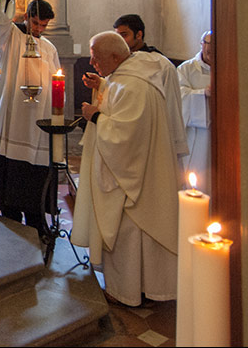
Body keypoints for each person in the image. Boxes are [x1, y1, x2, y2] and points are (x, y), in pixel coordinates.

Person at [73, 31, 179, 307]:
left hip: (134, 180)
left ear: (116, 57)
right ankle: (139, 287)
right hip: (137, 171)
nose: (92, 62)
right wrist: (102, 84)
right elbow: (118, 95)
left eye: (97, 59)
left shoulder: (135, 86)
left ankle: (129, 291)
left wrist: (94, 115)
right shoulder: (128, 74)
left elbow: (127, 135)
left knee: (131, 232)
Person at [0, 0, 61, 237]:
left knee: (35, 171)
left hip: (37, 122)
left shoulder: (49, 48)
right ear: (27, 17)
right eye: (36, 23)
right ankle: (10, 223)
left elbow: (55, 81)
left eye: (44, 25)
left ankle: (36, 222)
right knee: (11, 173)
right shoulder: (9, 37)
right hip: (12, 117)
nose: (39, 29)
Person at [113, 13, 189, 169]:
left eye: (124, 35)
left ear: (139, 34)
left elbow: (171, 105)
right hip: (130, 135)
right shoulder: (119, 64)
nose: (121, 41)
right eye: (117, 37)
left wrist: (173, 144)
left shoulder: (161, 64)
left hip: (157, 134)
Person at [177, 30, 213, 194]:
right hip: (197, 134)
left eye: (215, 45)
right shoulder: (186, 69)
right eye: (208, 44)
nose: (211, 49)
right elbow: (179, 97)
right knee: (199, 177)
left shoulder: (229, 67)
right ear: (202, 44)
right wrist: (203, 94)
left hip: (223, 132)